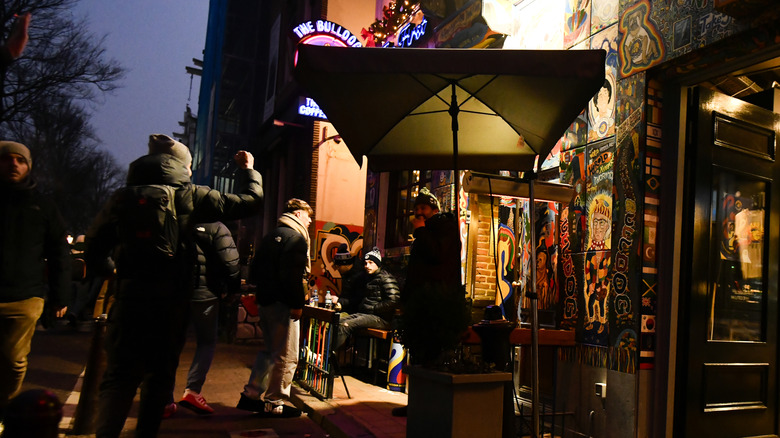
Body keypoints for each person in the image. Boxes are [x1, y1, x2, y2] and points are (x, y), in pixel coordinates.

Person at [85, 134, 263, 437]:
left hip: (129, 299)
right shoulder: (191, 196)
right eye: (190, 165)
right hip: (171, 301)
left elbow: (93, 247)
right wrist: (248, 170)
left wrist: (114, 272)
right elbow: (249, 203)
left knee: (119, 377)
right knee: (159, 377)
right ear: (182, 164)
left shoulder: (122, 197)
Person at [0, 141, 70, 419]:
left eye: (21, 160)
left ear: (29, 167)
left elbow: (58, 253)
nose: (14, 164)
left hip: (25, 295)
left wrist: (60, 296)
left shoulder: (43, 206)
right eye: (7, 159)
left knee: (13, 360)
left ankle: (4, 405)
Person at [236, 199, 313, 418]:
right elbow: (293, 277)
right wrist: (297, 304)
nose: (309, 222)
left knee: (269, 352)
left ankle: (251, 395)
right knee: (287, 355)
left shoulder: (271, 236)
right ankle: (275, 401)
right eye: (308, 217)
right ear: (298, 214)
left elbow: (255, 270)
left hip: (266, 301)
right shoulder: (296, 239)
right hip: (283, 305)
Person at [392, 187, 464, 417]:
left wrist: (421, 231)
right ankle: (417, 403)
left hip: (434, 304)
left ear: (434, 209)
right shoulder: (428, 230)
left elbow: (437, 255)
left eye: (423, 208)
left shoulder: (444, 227)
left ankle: (428, 406)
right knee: (419, 356)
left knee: (430, 357)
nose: (418, 212)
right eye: (415, 209)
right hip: (421, 302)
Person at [165, 221, 241, 417]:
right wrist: (232, 290)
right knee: (206, 342)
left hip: (178, 293)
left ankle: (164, 399)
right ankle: (192, 390)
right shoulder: (217, 227)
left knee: (171, 343)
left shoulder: (179, 222)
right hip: (206, 294)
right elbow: (231, 262)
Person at [332, 247, 400, 350]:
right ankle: (326, 354)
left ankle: (328, 355)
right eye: (365, 263)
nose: (367, 266)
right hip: (368, 315)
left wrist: (375, 308)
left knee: (346, 325)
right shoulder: (368, 277)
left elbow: (394, 300)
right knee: (338, 322)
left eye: (371, 262)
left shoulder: (386, 278)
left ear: (377, 263)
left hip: (381, 319)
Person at [332, 243, 364, 314]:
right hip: (348, 310)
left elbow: (358, 300)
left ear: (346, 265)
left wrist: (339, 300)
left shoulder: (359, 276)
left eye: (338, 266)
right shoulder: (346, 274)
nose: (337, 269)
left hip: (355, 313)